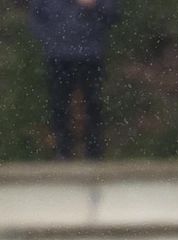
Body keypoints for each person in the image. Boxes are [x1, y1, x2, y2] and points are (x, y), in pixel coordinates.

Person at [28, 0, 120, 160]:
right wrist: (51, 41)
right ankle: (63, 151)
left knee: (93, 103)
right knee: (59, 104)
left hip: (91, 55)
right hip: (58, 56)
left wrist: (94, 7)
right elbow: (35, 19)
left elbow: (112, 15)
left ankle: (94, 152)